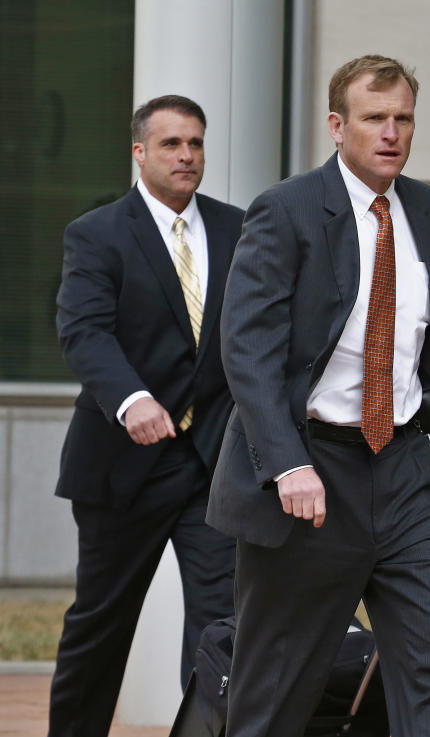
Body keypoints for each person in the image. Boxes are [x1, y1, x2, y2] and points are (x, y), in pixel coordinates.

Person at [206, 55, 430, 737]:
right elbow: (247, 349)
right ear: (337, 125)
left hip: (406, 473)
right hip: (310, 472)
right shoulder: (287, 210)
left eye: (404, 119)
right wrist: (287, 462)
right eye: (374, 118)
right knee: (275, 689)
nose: (392, 132)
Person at [50, 94, 242, 736]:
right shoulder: (98, 232)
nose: (187, 156)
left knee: (223, 630)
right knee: (101, 625)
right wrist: (131, 400)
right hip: (121, 466)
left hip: (210, 466)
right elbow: (84, 332)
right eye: (171, 144)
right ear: (140, 152)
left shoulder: (237, 229)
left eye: (195, 143)